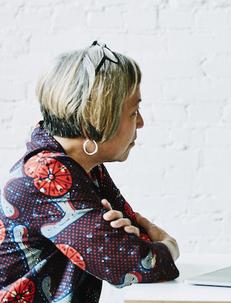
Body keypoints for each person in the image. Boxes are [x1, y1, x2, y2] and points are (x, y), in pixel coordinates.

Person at [0, 42, 180, 302]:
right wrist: (169, 245)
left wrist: (135, 243)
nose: (141, 122)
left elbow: (134, 237)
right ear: (95, 119)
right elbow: (137, 264)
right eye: (133, 111)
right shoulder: (46, 175)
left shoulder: (83, 168)